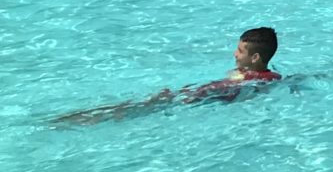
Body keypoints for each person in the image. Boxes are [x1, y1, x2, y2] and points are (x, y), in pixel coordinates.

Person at [52, 28, 282, 127]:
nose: (234, 53)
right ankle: (85, 118)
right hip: (192, 95)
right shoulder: (257, 76)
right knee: (134, 108)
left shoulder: (259, 80)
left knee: (134, 109)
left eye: (240, 51)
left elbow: (231, 89)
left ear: (255, 58)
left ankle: (83, 120)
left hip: (193, 98)